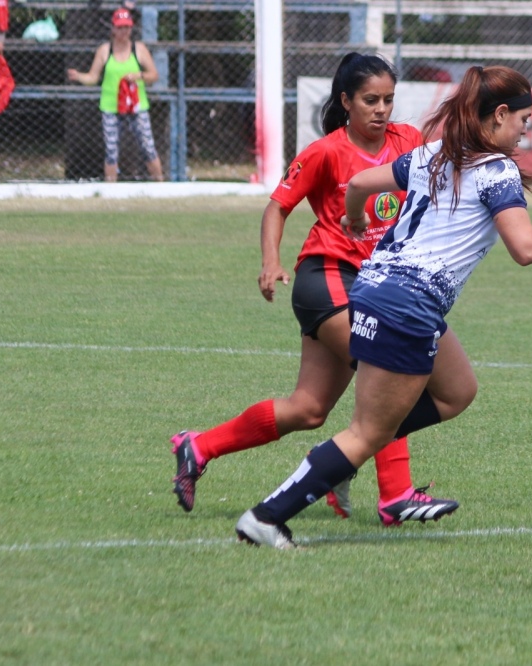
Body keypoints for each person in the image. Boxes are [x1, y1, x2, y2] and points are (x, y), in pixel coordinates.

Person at [233, 65, 532, 549]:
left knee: (457, 390)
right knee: (368, 433)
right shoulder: (497, 171)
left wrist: (352, 220)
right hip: (407, 304)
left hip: (376, 288)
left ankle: (340, 455)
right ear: (499, 115)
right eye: (524, 119)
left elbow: (358, 185)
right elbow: (526, 248)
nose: (526, 130)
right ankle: (266, 518)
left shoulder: (432, 153)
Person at [169, 52, 460, 526]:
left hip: (372, 286)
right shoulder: (325, 151)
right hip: (327, 277)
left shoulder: (408, 140)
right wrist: (270, 263)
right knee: (390, 359)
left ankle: (197, 446)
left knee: (307, 409)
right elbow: (277, 207)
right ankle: (395, 496)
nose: (381, 109)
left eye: (388, 99)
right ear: (346, 101)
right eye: (370, 100)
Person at [66, 8, 163, 182]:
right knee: (111, 151)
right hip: (111, 106)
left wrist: (138, 76)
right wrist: (79, 76)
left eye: (126, 27)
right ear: (113, 28)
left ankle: (161, 185)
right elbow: (93, 77)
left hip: (136, 105)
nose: (123, 31)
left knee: (148, 147)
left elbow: (154, 75)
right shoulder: (104, 50)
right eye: (120, 27)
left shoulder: (139, 49)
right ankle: (111, 189)